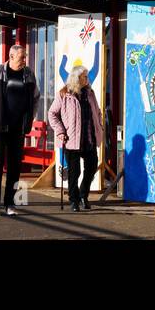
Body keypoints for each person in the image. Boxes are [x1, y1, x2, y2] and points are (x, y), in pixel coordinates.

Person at [0, 43, 40, 216]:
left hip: (19, 126)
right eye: (22, 57)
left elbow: (36, 97)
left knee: (15, 165)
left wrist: (30, 116)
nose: (24, 61)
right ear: (11, 57)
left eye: (25, 57)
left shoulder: (28, 74)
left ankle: (10, 203)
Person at [47, 65, 103, 211]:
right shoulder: (64, 94)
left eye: (87, 76)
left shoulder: (90, 93)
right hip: (71, 139)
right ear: (77, 78)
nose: (87, 79)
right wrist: (60, 131)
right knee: (74, 171)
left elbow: (97, 112)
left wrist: (100, 126)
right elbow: (52, 114)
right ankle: (74, 200)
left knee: (91, 167)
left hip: (88, 138)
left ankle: (83, 195)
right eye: (85, 76)